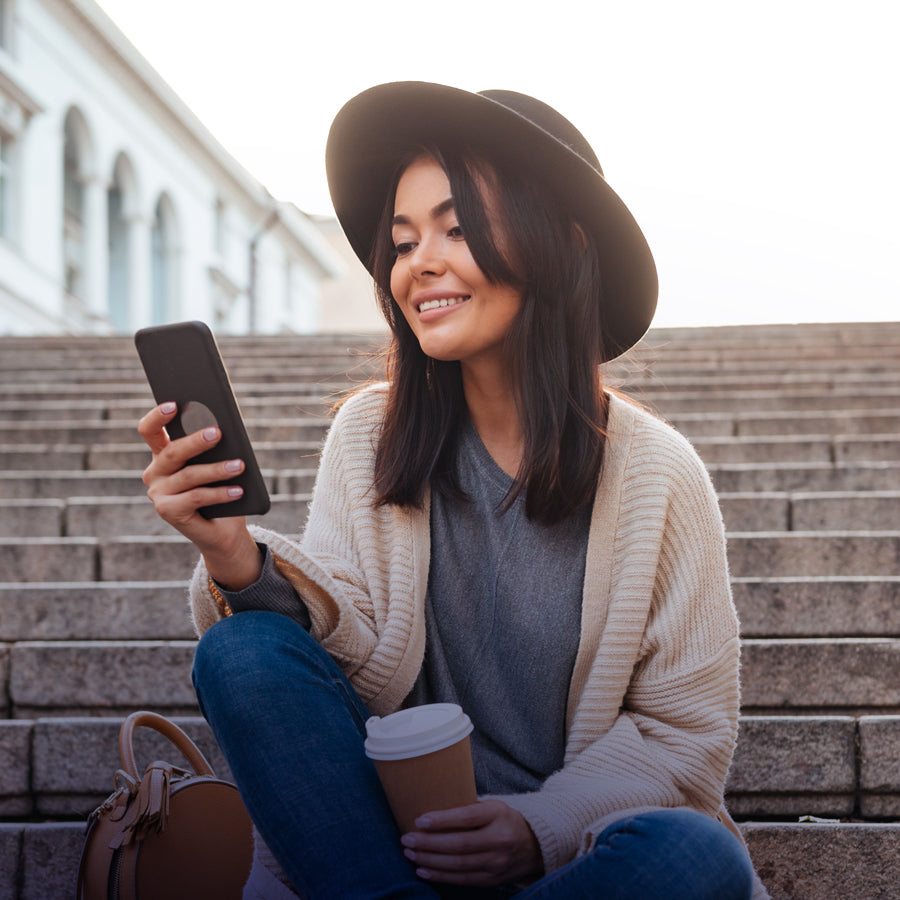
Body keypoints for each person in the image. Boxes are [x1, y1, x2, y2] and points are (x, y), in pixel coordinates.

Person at [138, 82, 766, 899]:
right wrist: (232, 555)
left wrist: (536, 828)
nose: (419, 263)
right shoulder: (371, 433)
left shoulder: (659, 474)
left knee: (697, 855)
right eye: (403, 242)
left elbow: (683, 737)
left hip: (569, 859)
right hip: (383, 850)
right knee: (243, 651)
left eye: (458, 228)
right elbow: (339, 663)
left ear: (561, 244)